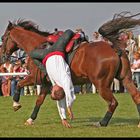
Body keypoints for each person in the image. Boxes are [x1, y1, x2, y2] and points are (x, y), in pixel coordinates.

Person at [28, 29, 76, 127]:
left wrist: (63, 118)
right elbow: (70, 92)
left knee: (32, 54)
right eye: (52, 92)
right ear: (57, 90)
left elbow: (60, 103)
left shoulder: (56, 87)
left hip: (46, 55)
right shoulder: (65, 80)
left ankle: (44, 71)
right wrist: (69, 107)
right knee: (69, 32)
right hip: (58, 50)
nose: (51, 89)